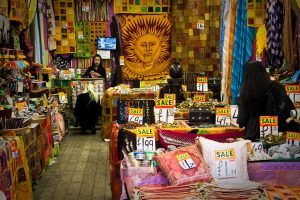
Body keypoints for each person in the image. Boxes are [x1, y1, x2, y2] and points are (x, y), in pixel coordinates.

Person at [237, 61, 297, 141]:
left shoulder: (246, 92)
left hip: (254, 136)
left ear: (247, 75)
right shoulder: (277, 86)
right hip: (278, 135)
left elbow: (241, 121)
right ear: (264, 72)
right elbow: (288, 110)